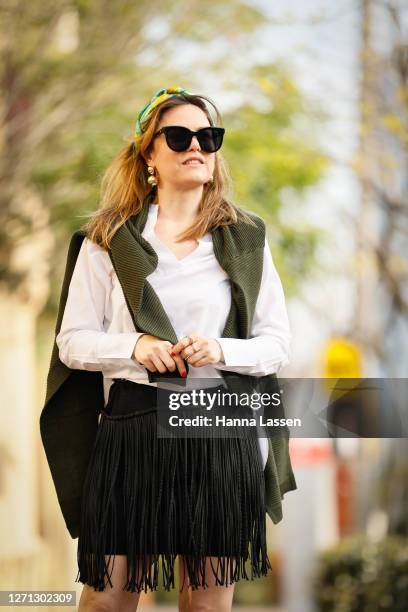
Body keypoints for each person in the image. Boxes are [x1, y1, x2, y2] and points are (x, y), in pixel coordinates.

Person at [49, 87, 295, 612]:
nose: (196, 147)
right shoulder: (107, 239)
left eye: (208, 137)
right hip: (131, 429)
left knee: (206, 606)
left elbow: (276, 344)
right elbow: (72, 343)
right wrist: (135, 346)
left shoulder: (246, 239)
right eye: (179, 136)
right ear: (148, 155)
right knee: (106, 599)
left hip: (217, 429)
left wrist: (221, 350)